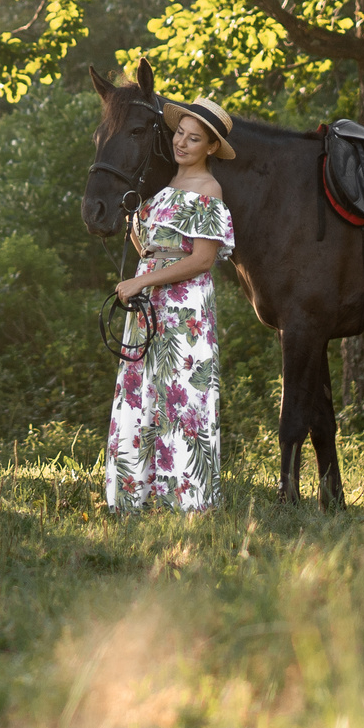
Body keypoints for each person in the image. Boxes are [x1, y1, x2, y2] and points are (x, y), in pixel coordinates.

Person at [106, 97, 237, 513]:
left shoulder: (208, 191)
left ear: (210, 147)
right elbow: (152, 248)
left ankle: (184, 501)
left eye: (194, 138)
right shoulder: (164, 189)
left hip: (184, 310)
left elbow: (201, 259)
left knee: (181, 398)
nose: (182, 142)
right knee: (143, 392)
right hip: (150, 306)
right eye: (180, 132)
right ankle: (135, 495)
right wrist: (135, 231)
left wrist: (142, 280)